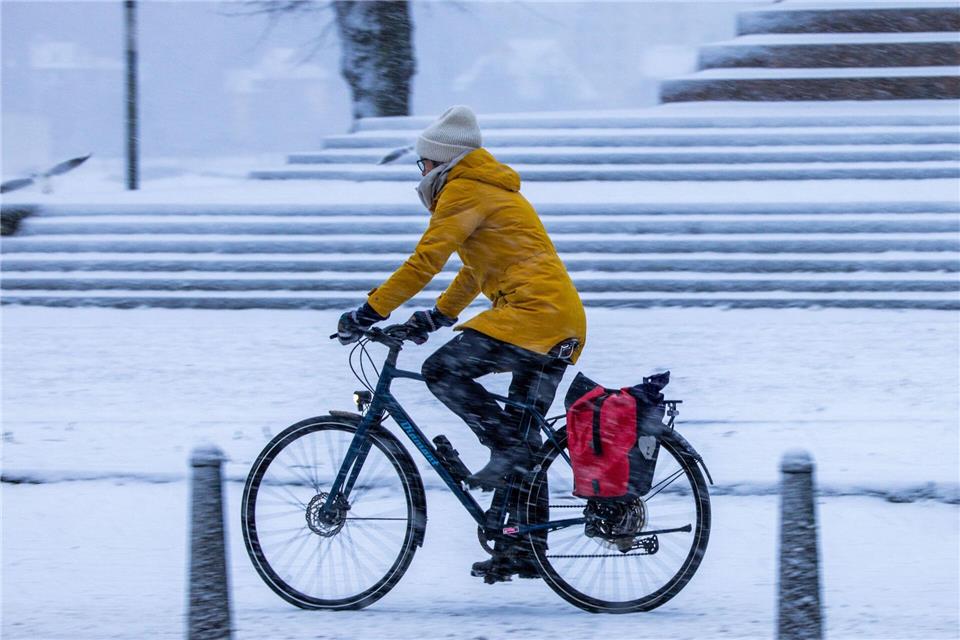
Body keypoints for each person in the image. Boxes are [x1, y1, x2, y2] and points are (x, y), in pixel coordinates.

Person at [337, 105, 586, 582]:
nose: (422, 172)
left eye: (423, 164)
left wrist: (370, 311)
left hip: (531, 316)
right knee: (523, 436)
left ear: (440, 162)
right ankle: (526, 550)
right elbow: (473, 269)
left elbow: (425, 259)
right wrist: (437, 316)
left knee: (441, 371)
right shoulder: (487, 189)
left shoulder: (464, 189)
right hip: (558, 319)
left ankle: (504, 452)